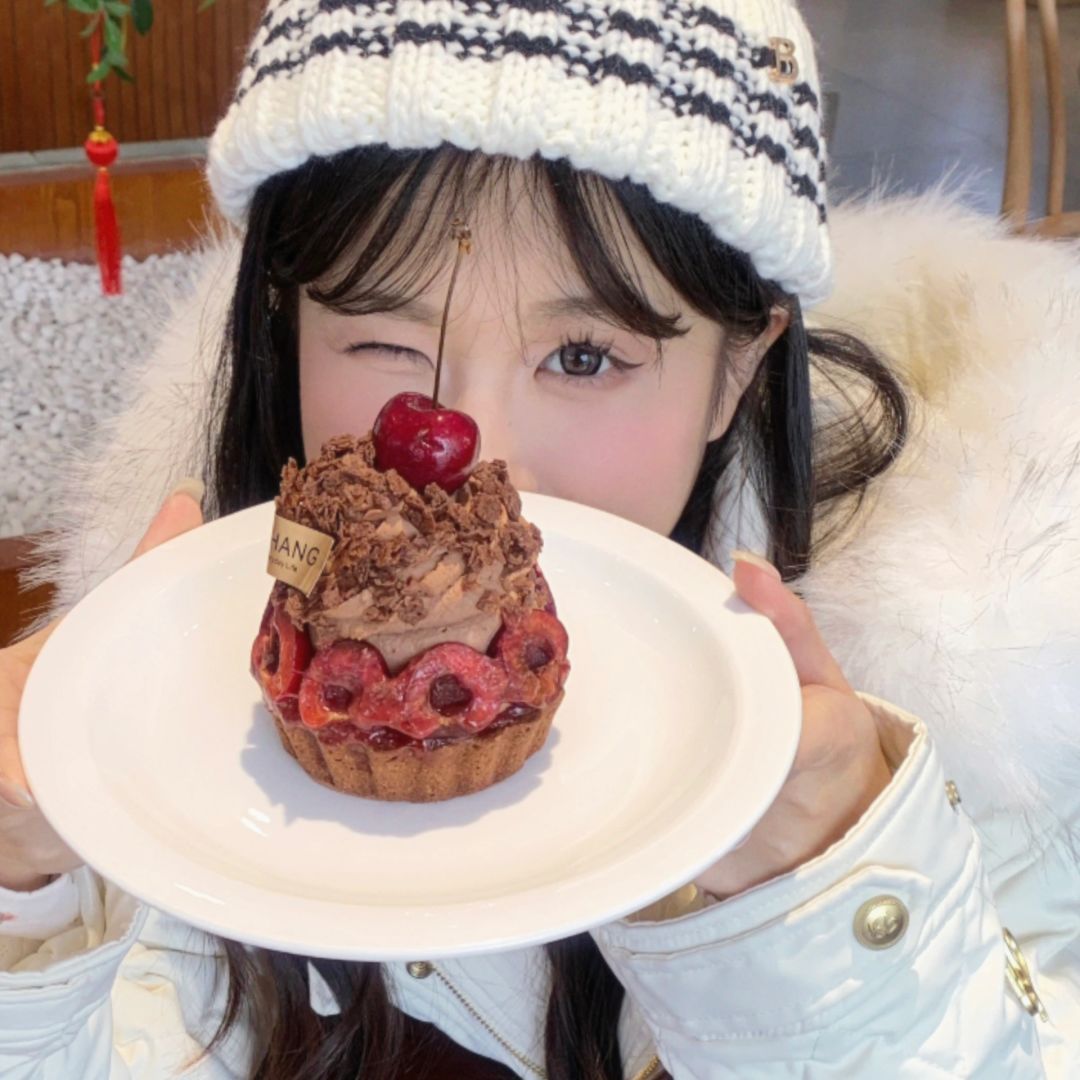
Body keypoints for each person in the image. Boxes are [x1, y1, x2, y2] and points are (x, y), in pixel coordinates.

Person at [1, 0, 1078, 1076]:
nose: (479, 459)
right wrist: (26, 898)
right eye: (382, 340)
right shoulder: (183, 683)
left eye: (583, 357)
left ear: (736, 372)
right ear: (285, 330)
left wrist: (832, 918)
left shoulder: (986, 689)